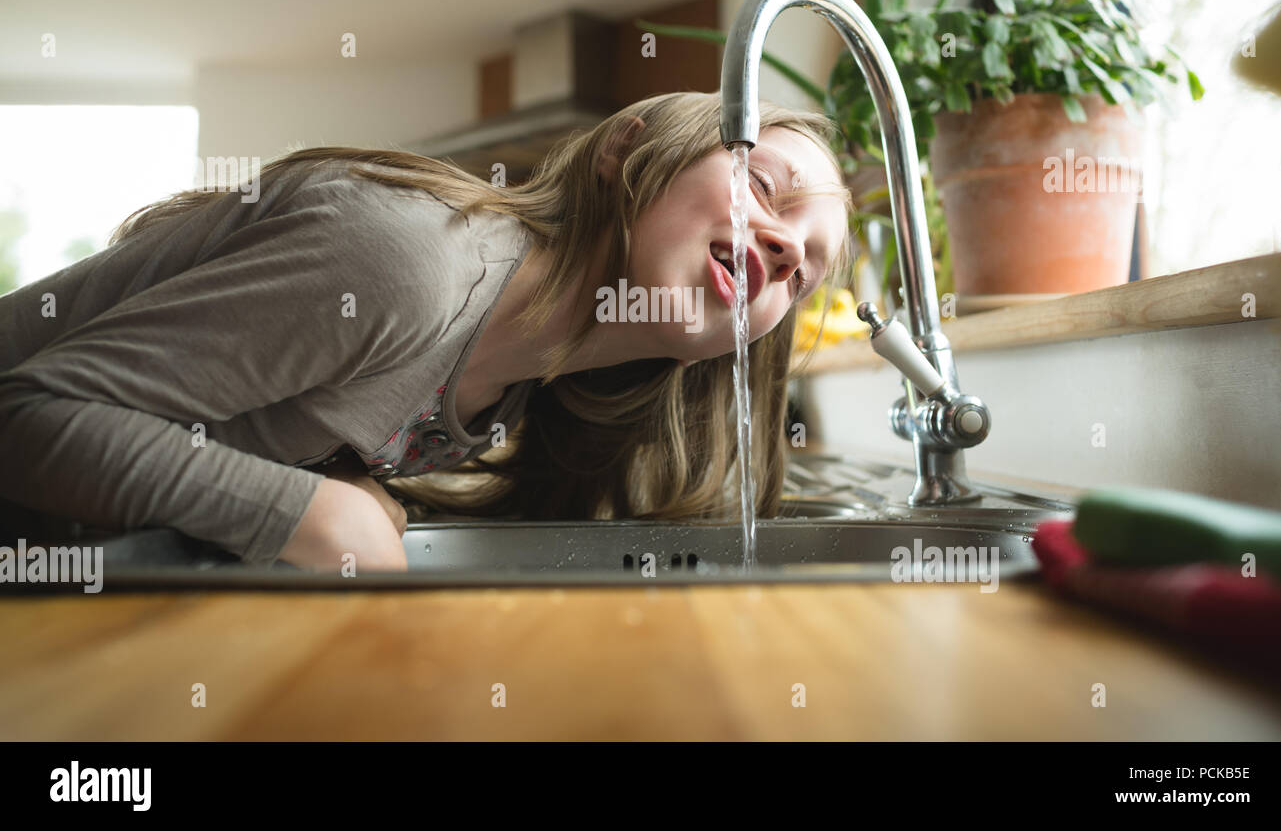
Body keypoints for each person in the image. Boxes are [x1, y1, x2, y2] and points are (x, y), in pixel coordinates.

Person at [0, 90, 853, 573]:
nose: (783, 249)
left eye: (804, 273)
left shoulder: (517, 383)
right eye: (767, 187)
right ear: (626, 151)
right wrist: (316, 516)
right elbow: (23, 416)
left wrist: (346, 486)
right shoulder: (408, 262)